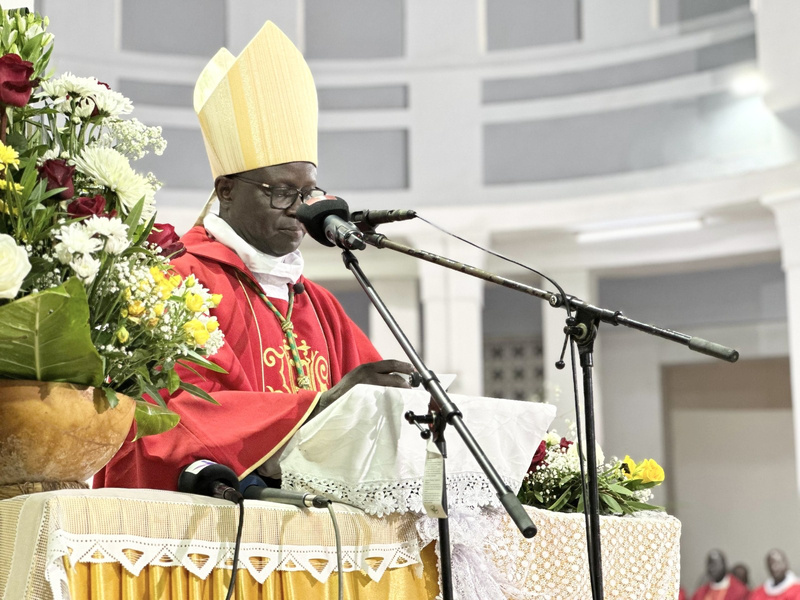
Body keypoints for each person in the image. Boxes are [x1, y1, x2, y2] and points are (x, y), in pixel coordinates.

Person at [94, 21, 414, 491]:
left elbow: (375, 406)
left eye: (307, 193)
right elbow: (171, 415)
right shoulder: (177, 284)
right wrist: (322, 406)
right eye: (281, 191)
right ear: (226, 189)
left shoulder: (318, 305)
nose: (299, 209)